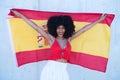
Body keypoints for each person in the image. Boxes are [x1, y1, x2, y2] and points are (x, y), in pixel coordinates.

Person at [11, 10, 106, 80]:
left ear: (66, 29)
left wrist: (99, 20)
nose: (60, 30)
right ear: (54, 29)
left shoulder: (69, 39)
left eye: (63, 28)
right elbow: (35, 26)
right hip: (51, 69)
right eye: (58, 28)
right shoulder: (51, 39)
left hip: (63, 70)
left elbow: (84, 29)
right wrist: (20, 15)